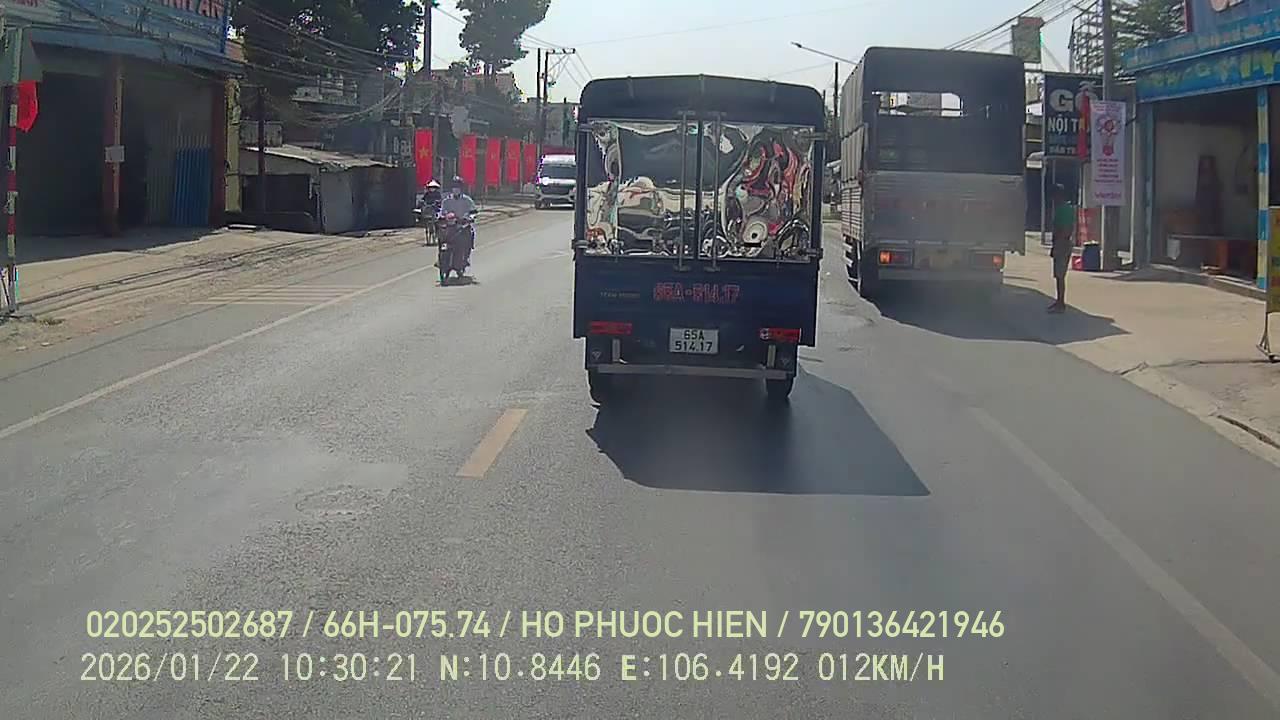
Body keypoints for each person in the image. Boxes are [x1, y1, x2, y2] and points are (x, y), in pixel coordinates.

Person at [1048, 184, 1076, 314]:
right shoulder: (1068, 209)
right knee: (1060, 275)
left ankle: (1060, 303)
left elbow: (1063, 229)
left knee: (1059, 275)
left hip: (1062, 243)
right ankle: (1059, 301)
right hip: (1065, 243)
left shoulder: (1062, 210)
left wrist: (1056, 245)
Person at [440, 176, 478, 267]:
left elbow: (473, 211)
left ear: (461, 189)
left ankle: (466, 257)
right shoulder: (446, 200)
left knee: (470, 234)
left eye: (457, 187)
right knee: (441, 237)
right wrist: (441, 217)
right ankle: (441, 258)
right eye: (454, 187)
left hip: (463, 226)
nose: (455, 189)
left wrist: (470, 218)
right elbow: (442, 212)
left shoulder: (467, 200)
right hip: (450, 226)